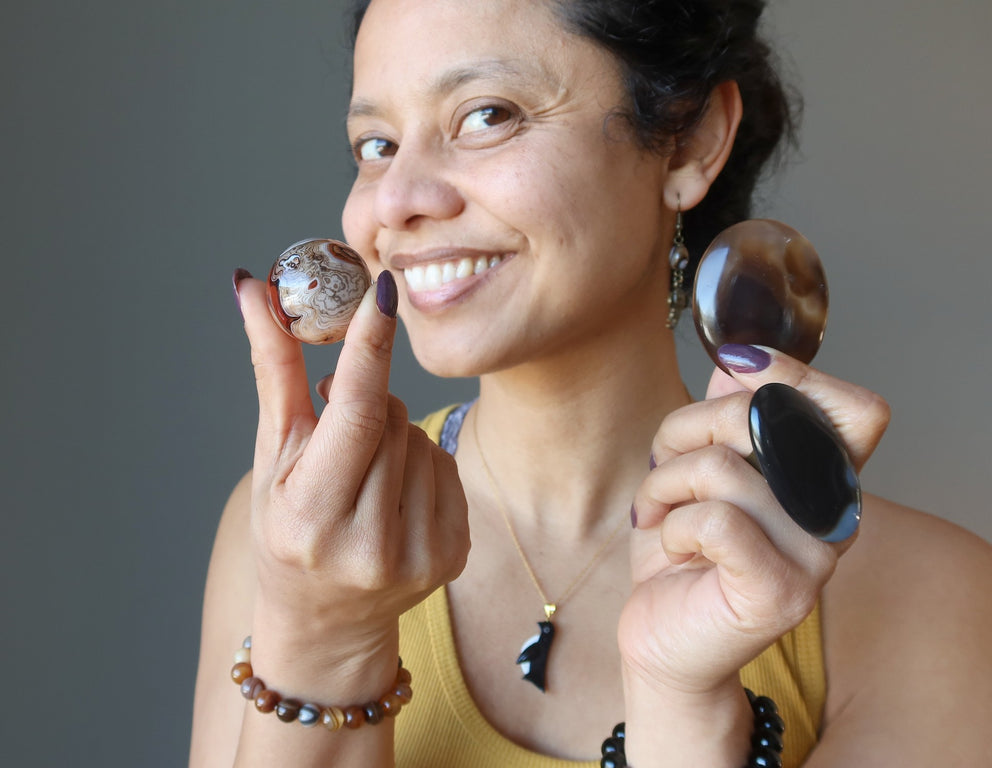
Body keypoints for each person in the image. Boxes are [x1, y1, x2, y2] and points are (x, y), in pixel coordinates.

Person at [190, 0, 992, 765]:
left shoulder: (933, 602)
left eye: (486, 115)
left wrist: (683, 704)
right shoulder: (284, 534)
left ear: (689, 141)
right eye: (376, 144)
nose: (395, 203)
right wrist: (323, 639)